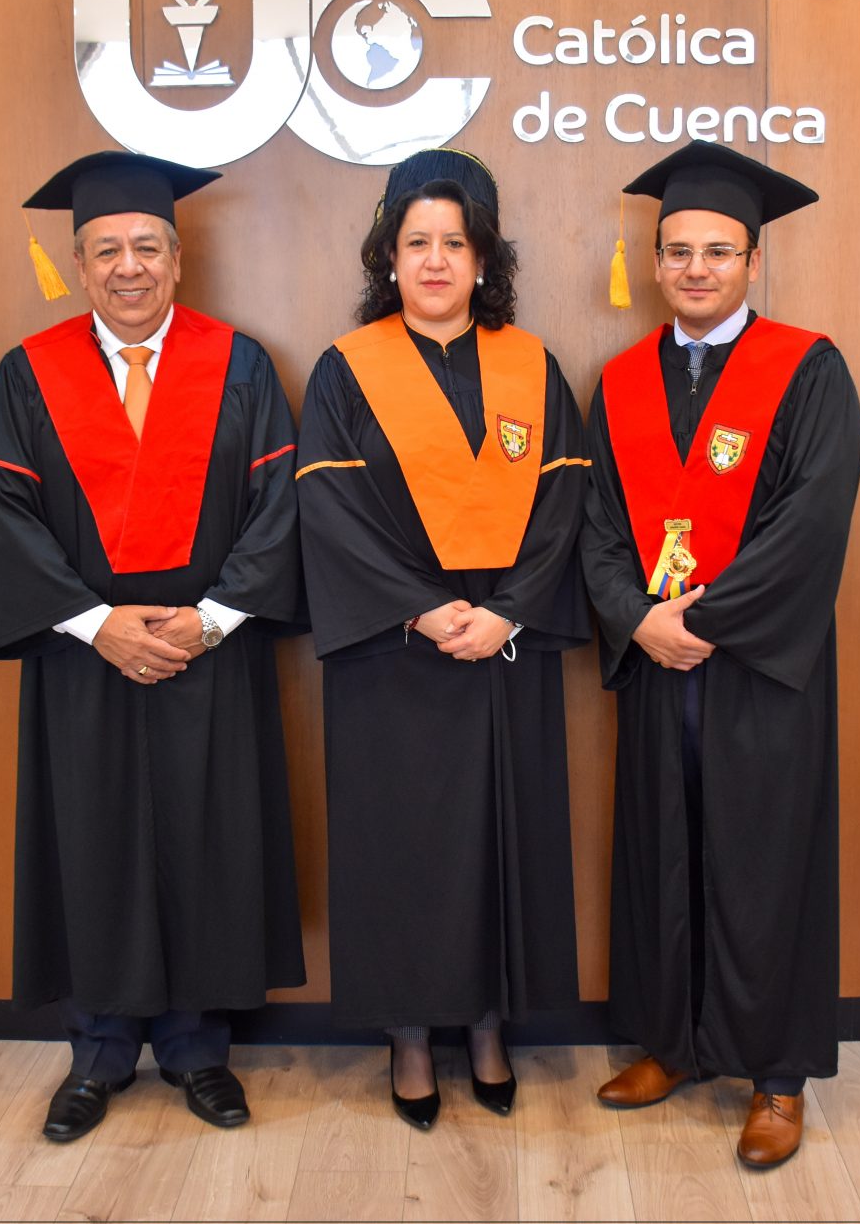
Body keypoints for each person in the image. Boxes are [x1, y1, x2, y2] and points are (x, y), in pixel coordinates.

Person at [0, 150, 306, 1142]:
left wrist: (206, 619)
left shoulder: (237, 363)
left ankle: (200, 1052)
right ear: (78, 263)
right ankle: (101, 1052)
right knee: (97, 842)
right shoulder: (28, 374)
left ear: (177, 258)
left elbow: (277, 510)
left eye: (147, 248)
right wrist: (96, 623)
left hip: (210, 648)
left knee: (207, 839)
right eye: (108, 249)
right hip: (87, 658)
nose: (129, 267)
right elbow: (6, 515)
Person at [581, 141, 860, 1169]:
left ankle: (775, 1076)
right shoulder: (616, 384)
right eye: (678, 252)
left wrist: (701, 620)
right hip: (658, 663)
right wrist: (635, 617)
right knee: (663, 849)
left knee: (764, 863)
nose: (696, 269)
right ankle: (674, 1045)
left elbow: (810, 522)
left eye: (718, 251)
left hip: (756, 670)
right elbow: (594, 525)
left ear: (751, 262)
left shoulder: (807, 370)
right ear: (654, 263)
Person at [295, 148, 590, 1130]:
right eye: (414, 241)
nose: (433, 260)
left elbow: (563, 500)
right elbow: (331, 509)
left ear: (483, 257)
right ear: (388, 256)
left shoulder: (530, 363)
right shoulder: (348, 370)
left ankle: (491, 1023)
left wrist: (507, 607)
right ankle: (412, 1036)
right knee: (405, 846)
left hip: (503, 640)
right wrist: (421, 609)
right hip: (395, 647)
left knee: (502, 839)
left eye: (452, 242)